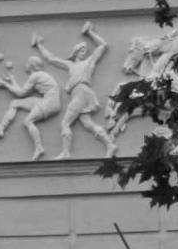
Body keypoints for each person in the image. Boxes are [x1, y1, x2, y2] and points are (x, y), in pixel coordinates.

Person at [33, 21, 117, 159]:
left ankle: (66, 152)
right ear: (75, 53)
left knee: (65, 123)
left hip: (82, 92)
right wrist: (39, 45)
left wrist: (90, 33)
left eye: (86, 50)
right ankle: (110, 145)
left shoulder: (89, 62)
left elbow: (103, 46)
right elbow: (51, 59)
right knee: (88, 124)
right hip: (77, 95)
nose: (85, 52)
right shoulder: (70, 65)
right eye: (82, 50)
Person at [0, 57, 61, 160]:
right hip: (47, 100)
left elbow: (20, 93)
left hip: (50, 103)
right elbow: (21, 93)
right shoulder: (39, 75)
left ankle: (39, 147)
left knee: (27, 121)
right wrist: (12, 80)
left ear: (32, 66)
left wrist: (4, 84)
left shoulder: (35, 75)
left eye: (27, 63)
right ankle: (0, 130)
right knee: (15, 103)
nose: (25, 65)